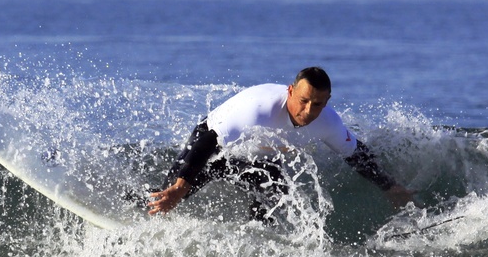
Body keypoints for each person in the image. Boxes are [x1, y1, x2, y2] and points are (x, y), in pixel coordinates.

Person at [148, 67, 414, 219]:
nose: (309, 111)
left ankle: (255, 240)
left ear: (328, 100)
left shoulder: (329, 122)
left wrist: (390, 187)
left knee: (276, 189)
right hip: (216, 144)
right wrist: (181, 186)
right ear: (290, 91)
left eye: (318, 104)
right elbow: (208, 142)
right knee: (171, 193)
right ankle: (136, 209)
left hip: (259, 158)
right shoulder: (259, 110)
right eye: (303, 100)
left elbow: (356, 154)